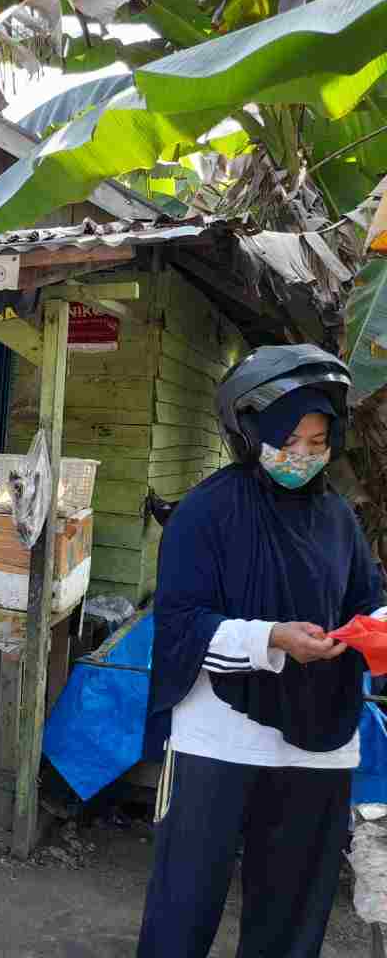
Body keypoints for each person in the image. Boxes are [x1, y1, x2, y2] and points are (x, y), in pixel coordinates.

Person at [138, 344, 384, 958]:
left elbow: (366, 598)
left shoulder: (336, 519)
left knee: (294, 912)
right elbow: (181, 623)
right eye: (288, 438)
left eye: (317, 440)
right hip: (219, 735)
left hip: (319, 740)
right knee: (185, 901)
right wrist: (272, 637)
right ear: (254, 435)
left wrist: (375, 629)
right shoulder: (206, 513)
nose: (302, 455)